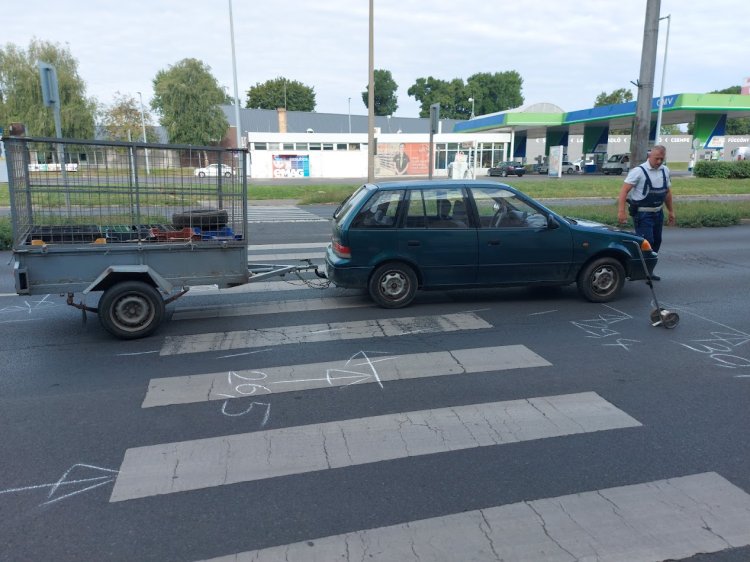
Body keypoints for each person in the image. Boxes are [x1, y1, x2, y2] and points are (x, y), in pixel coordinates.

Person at [617, 144, 675, 281]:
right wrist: (621, 211)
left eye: (661, 159)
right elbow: (624, 191)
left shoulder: (665, 171)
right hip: (643, 214)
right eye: (656, 158)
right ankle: (636, 271)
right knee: (646, 243)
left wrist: (671, 211)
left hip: (658, 213)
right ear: (650, 156)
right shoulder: (638, 171)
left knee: (657, 242)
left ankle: (648, 270)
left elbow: (667, 193)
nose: (659, 161)